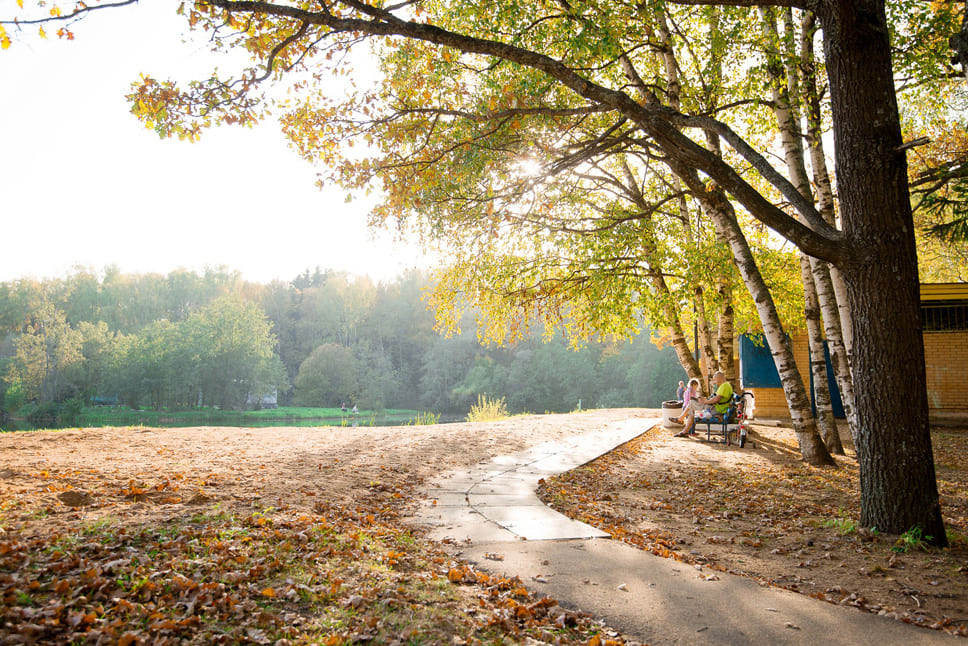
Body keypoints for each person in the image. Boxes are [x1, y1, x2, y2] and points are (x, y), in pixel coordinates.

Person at [678, 371, 733, 437]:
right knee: (692, 407)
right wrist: (705, 399)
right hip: (716, 408)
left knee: (691, 403)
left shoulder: (724, 386)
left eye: (715, 380)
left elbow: (716, 400)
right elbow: (715, 398)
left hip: (717, 409)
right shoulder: (725, 385)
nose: (715, 382)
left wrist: (704, 402)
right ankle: (684, 429)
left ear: (718, 378)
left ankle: (681, 420)